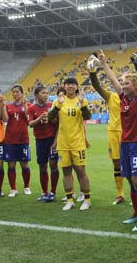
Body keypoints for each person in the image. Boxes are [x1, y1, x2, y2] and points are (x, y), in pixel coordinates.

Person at [110, 51, 137, 232]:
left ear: (134, 86)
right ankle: (135, 213)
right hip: (125, 144)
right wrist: (103, 64)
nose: (123, 85)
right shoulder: (123, 99)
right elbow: (113, 81)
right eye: (123, 83)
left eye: (126, 83)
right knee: (129, 179)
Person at [48, 78, 92, 212]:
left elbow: (88, 116)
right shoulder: (58, 101)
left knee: (81, 171)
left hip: (77, 142)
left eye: (73, 84)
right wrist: (58, 105)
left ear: (77, 86)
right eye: (68, 84)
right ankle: (69, 200)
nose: (70, 86)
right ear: (64, 86)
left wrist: (83, 103)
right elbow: (50, 117)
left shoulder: (81, 100)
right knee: (66, 172)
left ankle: (87, 200)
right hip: (63, 143)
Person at [89, 53, 126, 205]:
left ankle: (135, 192)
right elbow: (97, 87)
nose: (122, 83)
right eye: (120, 81)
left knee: (130, 164)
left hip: (128, 133)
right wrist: (92, 72)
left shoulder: (131, 96)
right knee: (117, 164)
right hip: (113, 132)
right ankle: (120, 194)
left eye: (124, 81)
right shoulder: (111, 96)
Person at [28, 86, 59, 202]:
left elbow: (58, 123)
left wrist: (52, 118)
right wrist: (40, 117)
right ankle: (44, 192)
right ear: (36, 95)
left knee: (53, 165)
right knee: (42, 166)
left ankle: (53, 192)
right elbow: (30, 124)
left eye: (47, 93)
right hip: (40, 141)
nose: (45, 95)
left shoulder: (52, 106)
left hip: (52, 140)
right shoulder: (31, 108)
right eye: (43, 93)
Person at [3, 85, 31, 197]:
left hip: (23, 140)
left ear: (22, 93)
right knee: (11, 165)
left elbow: (28, 119)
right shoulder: (8, 106)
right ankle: (13, 189)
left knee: (24, 165)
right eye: (13, 92)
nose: (15, 94)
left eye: (17, 92)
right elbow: (5, 119)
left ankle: (26, 187)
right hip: (10, 140)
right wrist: (2, 105)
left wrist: (25, 105)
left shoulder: (27, 105)